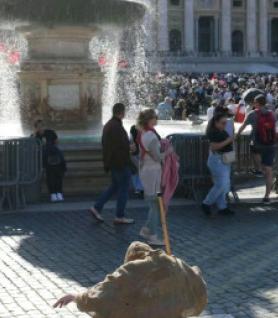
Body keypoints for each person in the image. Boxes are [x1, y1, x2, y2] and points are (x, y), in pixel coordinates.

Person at [53, 241, 207, 317]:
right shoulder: (176, 263)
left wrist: (76, 297)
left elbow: (103, 294)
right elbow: (196, 279)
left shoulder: (133, 270)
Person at [89, 103, 137, 225]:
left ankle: (97, 207)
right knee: (123, 189)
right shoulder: (117, 126)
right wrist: (130, 148)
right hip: (120, 163)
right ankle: (119, 215)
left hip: (112, 162)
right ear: (122, 113)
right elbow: (119, 147)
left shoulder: (108, 125)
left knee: (114, 187)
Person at [134, 109, 173, 246]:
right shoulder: (151, 136)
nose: (157, 119)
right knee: (156, 204)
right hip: (153, 173)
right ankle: (153, 236)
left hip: (147, 171)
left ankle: (146, 229)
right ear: (151, 119)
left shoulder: (143, 133)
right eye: (156, 117)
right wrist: (168, 152)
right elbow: (157, 157)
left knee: (154, 204)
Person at [236, 95, 278, 203]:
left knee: (254, 150)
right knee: (269, 170)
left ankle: (258, 168)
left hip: (257, 143)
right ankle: (267, 196)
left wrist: (236, 135)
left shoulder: (252, 114)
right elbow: (276, 128)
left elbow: (243, 126)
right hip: (271, 143)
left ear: (257, 104)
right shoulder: (272, 114)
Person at [201, 111, 235, 217]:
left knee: (224, 184)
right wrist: (229, 140)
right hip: (218, 160)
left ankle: (222, 207)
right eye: (223, 123)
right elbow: (214, 147)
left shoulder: (220, 131)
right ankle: (206, 203)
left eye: (226, 123)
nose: (225, 125)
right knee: (222, 184)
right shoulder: (213, 132)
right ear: (216, 122)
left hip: (224, 159)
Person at [38, 122, 66, 202]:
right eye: (38, 127)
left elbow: (57, 141)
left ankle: (58, 193)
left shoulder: (50, 132)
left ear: (44, 127)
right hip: (48, 159)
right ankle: (54, 194)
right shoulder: (36, 135)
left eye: (41, 126)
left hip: (54, 157)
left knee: (56, 174)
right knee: (51, 175)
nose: (40, 128)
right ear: (36, 128)